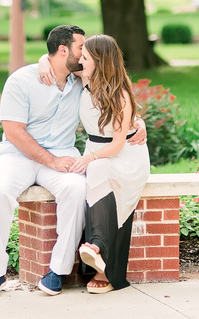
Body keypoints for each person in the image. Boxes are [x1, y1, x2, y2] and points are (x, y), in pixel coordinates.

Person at [0, 25, 146, 299]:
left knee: (77, 190)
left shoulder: (80, 78)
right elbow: (13, 132)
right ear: (63, 50)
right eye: (81, 48)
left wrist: (138, 122)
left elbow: (114, 94)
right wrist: (50, 160)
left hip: (63, 154)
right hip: (16, 156)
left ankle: (58, 271)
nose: (84, 55)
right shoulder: (21, 80)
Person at [38, 34, 150, 293]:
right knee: (94, 172)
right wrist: (44, 59)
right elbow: (57, 61)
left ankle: (98, 249)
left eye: (85, 58)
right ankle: (95, 249)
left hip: (124, 155)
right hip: (97, 151)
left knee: (96, 169)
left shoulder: (120, 93)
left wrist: (90, 157)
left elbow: (118, 142)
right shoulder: (84, 77)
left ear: (99, 61)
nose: (80, 60)